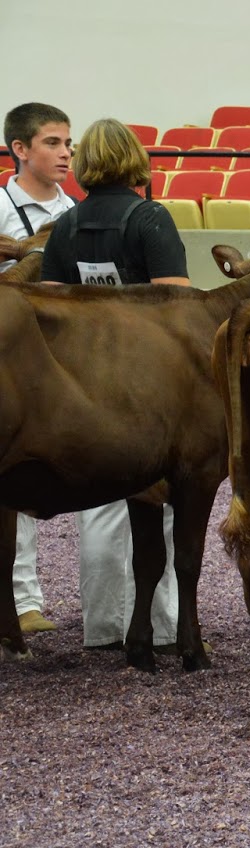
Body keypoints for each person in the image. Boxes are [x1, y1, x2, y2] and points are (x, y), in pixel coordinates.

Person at [38, 117, 186, 652]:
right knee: (159, 506)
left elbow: (48, 307)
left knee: (98, 505)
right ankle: (160, 625)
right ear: (133, 160)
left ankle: (102, 624)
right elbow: (177, 306)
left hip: (86, 382)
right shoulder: (151, 218)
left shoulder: (66, 225)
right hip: (148, 383)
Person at [2, 102, 75, 637]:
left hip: (65, 359)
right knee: (12, 479)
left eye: (69, 143)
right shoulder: (0, 207)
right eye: (52, 142)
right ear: (20, 149)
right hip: (9, 363)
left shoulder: (74, 210)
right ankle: (22, 601)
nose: (65, 153)